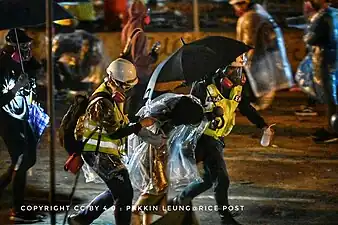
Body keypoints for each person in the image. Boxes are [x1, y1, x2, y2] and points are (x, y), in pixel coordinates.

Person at [173, 59, 271, 225]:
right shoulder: (203, 87)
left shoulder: (236, 89)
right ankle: (225, 217)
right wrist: (207, 115)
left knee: (208, 180)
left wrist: (262, 124)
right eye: (233, 71)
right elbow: (187, 112)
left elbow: (246, 108)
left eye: (239, 71)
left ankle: (182, 199)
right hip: (202, 138)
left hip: (217, 138)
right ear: (222, 70)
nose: (237, 75)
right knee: (222, 178)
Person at [67, 58, 156, 225]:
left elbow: (120, 122)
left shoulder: (113, 97)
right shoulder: (103, 101)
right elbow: (116, 132)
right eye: (124, 85)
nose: (127, 89)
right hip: (98, 153)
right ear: (112, 79)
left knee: (117, 190)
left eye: (129, 86)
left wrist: (129, 114)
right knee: (125, 192)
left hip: (105, 152)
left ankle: (82, 219)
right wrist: (140, 125)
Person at [129, 94, 205, 225]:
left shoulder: (166, 114)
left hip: (154, 157)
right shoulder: (158, 121)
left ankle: (144, 220)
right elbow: (154, 143)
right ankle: (134, 215)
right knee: (156, 188)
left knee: (155, 191)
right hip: (153, 158)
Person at [0, 29, 45, 223]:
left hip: (25, 115)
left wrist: (27, 61)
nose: (27, 50)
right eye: (23, 47)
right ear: (12, 48)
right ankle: (17, 210)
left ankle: (2, 186)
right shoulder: (1, 65)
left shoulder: (24, 63)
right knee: (21, 157)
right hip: (7, 118)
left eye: (29, 46)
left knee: (29, 158)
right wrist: (17, 87)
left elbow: (37, 70)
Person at [230, 0, 294, 111]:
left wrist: (241, 60)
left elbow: (248, 42)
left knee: (248, 82)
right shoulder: (260, 13)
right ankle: (256, 104)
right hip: (263, 55)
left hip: (255, 57)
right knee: (261, 84)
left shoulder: (250, 17)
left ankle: (252, 105)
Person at [304, 0, 338, 143]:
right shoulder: (334, 14)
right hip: (333, 59)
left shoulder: (325, 16)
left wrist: (307, 36)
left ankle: (333, 130)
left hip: (326, 60)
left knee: (330, 97)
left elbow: (311, 38)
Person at [121, 0, 159, 122]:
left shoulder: (127, 28)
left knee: (131, 100)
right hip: (140, 74)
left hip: (129, 71)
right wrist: (152, 56)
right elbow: (138, 58)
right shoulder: (140, 33)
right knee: (139, 103)